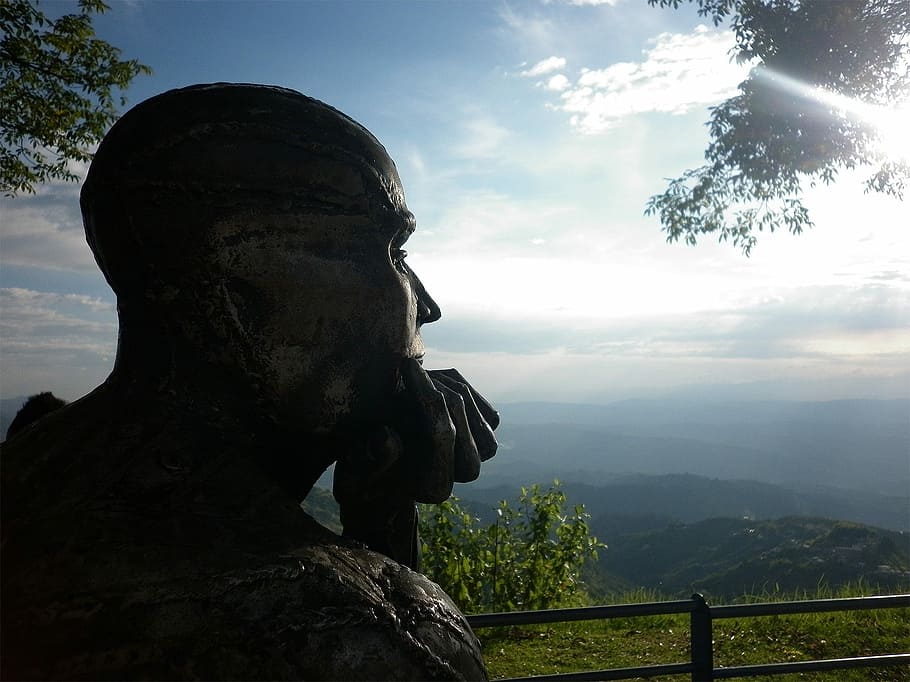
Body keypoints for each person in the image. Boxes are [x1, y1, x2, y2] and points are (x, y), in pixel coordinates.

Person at [0, 83, 498, 680]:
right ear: (240, 285)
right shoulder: (352, 632)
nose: (430, 305)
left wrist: (374, 505)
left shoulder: (28, 480)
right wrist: (394, 582)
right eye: (394, 251)